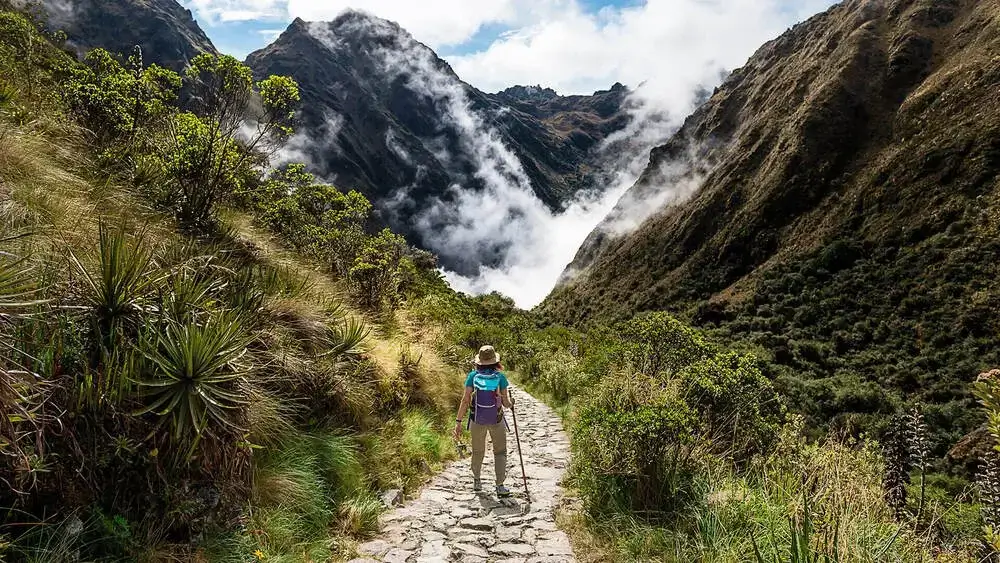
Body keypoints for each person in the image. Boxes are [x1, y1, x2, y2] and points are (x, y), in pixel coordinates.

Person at [453, 345, 513, 497]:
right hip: (496, 420)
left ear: (479, 361)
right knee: (500, 452)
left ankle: (477, 480)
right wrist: (511, 402)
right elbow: (506, 404)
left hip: (477, 419)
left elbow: (465, 400)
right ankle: (499, 485)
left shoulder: (472, 376)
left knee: (478, 451)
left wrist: (458, 421)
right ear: (495, 361)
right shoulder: (500, 377)